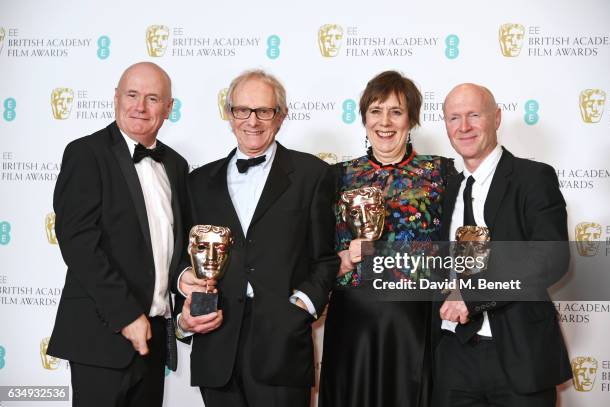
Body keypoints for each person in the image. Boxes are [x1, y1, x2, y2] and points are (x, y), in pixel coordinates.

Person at [174, 69, 338, 407]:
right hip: (215, 341)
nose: (253, 120)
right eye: (242, 110)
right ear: (229, 114)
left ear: (280, 117)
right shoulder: (198, 182)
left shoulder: (312, 175)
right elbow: (182, 257)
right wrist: (185, 289)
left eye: (264, 111)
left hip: (282, 348)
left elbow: (326, 258)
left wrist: (300, 309)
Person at [47, 62, 190, 407]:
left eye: (153, 98)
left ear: (169, 108)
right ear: (115, 98)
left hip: (155, 336)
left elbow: (177, 247)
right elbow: (79, 242)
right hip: (101, 334)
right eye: (132, 95)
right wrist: (127, 315)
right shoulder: (86, 153)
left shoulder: (176, 165)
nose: (140, 107)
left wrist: (187, 291)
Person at [318, 70, 456, 407]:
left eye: (396, 111)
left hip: (414, 320)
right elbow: (319, 251)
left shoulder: (442, 172)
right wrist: (344, 257)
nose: (385, 122)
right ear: (364, 118)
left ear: (411, 120)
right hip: (353, 321)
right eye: (376, 111)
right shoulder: (337, 176)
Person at [432, 83, 572, 406]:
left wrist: (473, 295)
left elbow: (550, 258)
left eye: (473, 115)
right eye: (454, 118)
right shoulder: (446, 188)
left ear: (496, 118)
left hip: (519, 355)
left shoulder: (533, 178)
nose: (463, 127)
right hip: (453, 356)